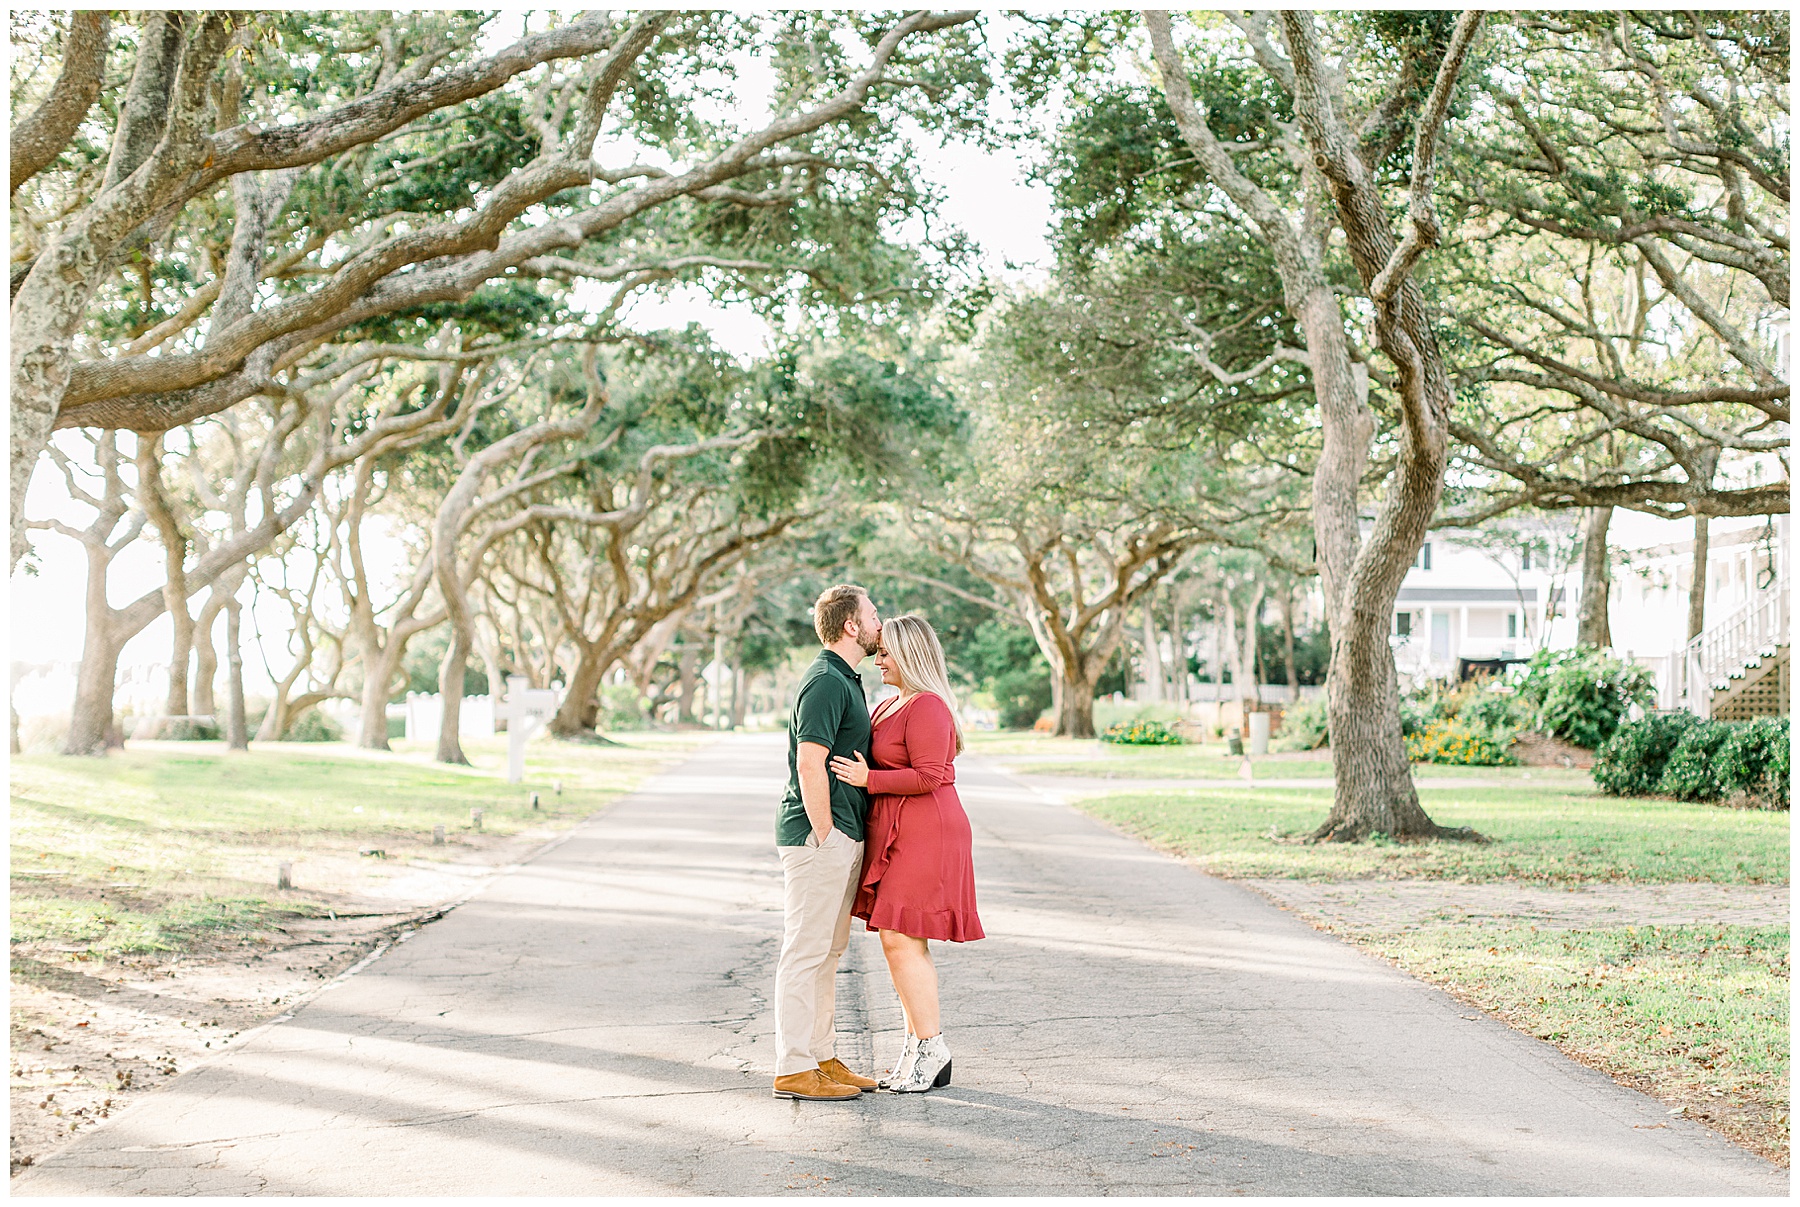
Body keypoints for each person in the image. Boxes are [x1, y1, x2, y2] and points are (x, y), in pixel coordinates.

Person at [829, 613, 983, 1094]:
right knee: (900, 941)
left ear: (911, 654)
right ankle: (917, 1048)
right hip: (898, 829)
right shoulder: (888, 705)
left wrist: (867, 779)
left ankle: (932, 1048)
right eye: (878, 652)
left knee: (900, 937)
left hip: (928, 830)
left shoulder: (929, 707)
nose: (880, 660)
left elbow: (931, 775)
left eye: (887, 653)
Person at [771, 584, 883, 1101]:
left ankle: (822, 1056)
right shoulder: (824, 681)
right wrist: (825, 833)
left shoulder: (847, 678)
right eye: (874, 615)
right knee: (806, 951)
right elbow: (808, 759)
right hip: (819, 836)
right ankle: (793, 1067)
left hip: (841, 833)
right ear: (851, 626)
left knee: (829, 953)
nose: (881, 623)